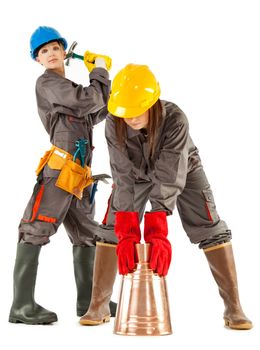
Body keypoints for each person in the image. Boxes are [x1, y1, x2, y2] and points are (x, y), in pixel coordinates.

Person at [80, 63, 252, 330]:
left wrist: (157, 228)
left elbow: (169, 174)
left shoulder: (175, 119)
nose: (132, 118)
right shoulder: (114, 120)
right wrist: (127, 227)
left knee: (209, 227)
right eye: (126, 113)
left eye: (138, 111)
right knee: (112, 227)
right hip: (134, 174)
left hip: (184, 168)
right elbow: (121, 173)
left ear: (152, 102)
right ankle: (98, 306)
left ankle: (234, 308)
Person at [8, 26, 116, 325]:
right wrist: (100, 73)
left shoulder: (69, 90)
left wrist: (101, 74)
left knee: (86, 234)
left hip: (80, 174)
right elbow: (88, 99)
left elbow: (99, 107)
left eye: (55, 48)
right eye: (43, 51)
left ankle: (90, 302)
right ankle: (21, 306)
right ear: (37, 60)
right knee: (36, 228)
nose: (50, 54)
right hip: (59, 171)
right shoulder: (48, 84)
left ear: (64, 52)